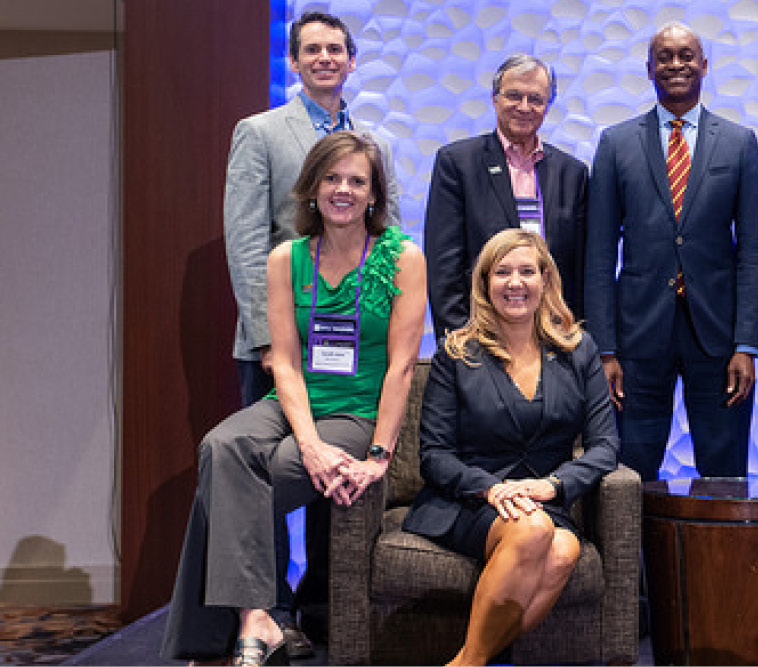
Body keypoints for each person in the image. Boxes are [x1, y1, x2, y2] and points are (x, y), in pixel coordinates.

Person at [163, 131, 426, 666]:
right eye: (332, 178)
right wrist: (308, 443)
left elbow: (402, 366)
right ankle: (258, 616)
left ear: (375, 193)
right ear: (312, 187)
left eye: (357, 180)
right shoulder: (286, 258)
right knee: (221, 446)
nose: (343, 190)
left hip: (356, 412)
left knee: (228, 480)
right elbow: (283, 360)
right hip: (295, 406)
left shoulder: (404, 257)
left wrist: (379, 454)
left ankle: (219, 637)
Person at [221, 11, 400, 649]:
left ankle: (324, 606)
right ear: (293, 62)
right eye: (311, 49)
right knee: (268, 473)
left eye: (335, 49)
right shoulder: (261, 131)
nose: (324, 58)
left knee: (337, 474)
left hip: (355, 350)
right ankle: (267, 611)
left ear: (352, 61)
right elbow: (245, 243)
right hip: (283, 343)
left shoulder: (372, 140)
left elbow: (391, 235)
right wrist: (269, 342)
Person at [402, 228, 620, 666]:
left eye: (526, 272)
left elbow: (605, 445)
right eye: (502, 272)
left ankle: (467, 661)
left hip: (545, 499)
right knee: (536, 531)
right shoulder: (456, 354)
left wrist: (553, 485)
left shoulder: (578, 350)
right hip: (469, 500)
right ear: (485, 284)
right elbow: (435, 455)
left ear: (545, 281)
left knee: (563, 549)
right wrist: (490, 489)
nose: (515, 283)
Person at [584, 21, 758, 481]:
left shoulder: (740, 143)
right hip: (636, 336)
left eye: (686, 55)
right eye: (664, 57)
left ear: (704, 65)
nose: (676, 64)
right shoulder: (615, 143)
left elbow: (752, 253)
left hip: (720, 338)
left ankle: (722, 555)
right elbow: (600, 255)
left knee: (725, 469)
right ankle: (629, 557)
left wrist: (747, 343)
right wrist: (604, 349)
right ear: (649, 69)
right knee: (627, 471)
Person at [426, 54, 590, 338]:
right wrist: (462, 339)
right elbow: (444, 265)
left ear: (547, 106)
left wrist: (573, 336)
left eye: (536, 99)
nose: (524, 107)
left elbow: (580, 268)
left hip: (554, 335)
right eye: (514, 96)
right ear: (495, 99)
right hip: (480, 335)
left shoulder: (572, 173)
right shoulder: (458, 163)